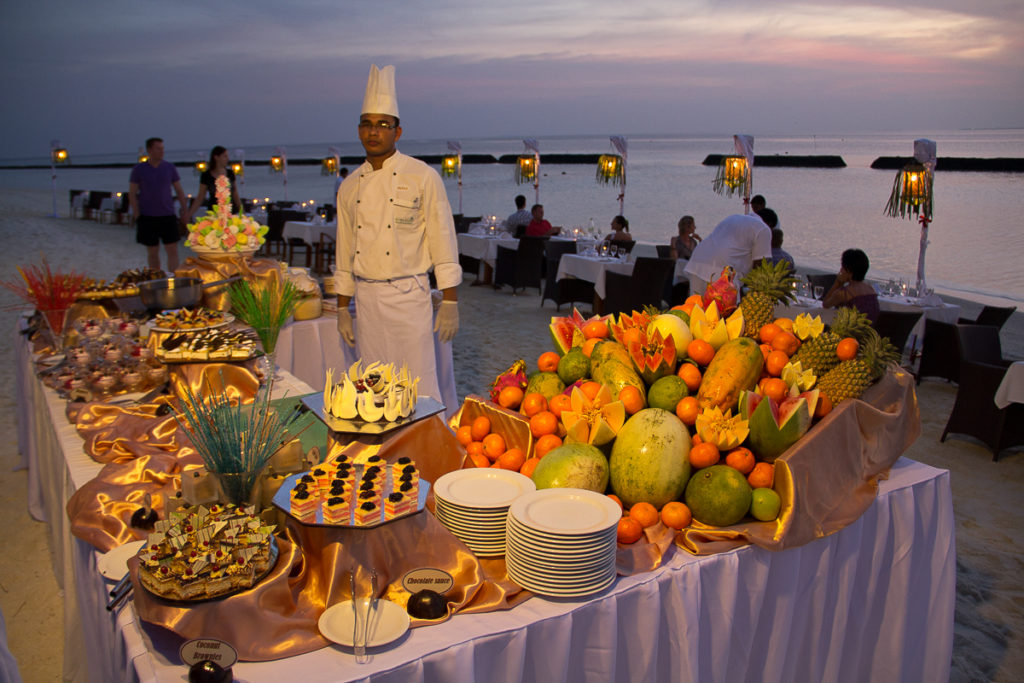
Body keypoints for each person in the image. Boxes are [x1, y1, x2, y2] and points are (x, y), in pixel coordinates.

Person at [333, 64, 461, 403]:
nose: (374, 132)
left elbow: (443, 239)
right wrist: (342, 308)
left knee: (417, 385)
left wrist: (450, 300)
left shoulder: (422, 176)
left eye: (383, 125)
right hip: (367, 301)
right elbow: (344, 253)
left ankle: (426, 451)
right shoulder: (348, 187)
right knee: (375, 389)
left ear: (397, 132)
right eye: (367, 124)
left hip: (409, 297)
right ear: (359, 129)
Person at [129, 137, 188, 272]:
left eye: (162, 149)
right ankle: (156, 278)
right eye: (158, 149)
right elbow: (132, 193)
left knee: (172, 249)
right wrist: (137, 214)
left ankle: (174, 278)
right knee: (152, 251)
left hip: (167, 215)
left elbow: (179, 190)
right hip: (147, 216)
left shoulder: (169, 168)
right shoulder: (139, 169)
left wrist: (185, 210)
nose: (161, 151)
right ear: (150, 150)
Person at [683, 213, 772, 295]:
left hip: (697, 260)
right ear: (770, 224)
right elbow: (759, 267)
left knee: (695, 306)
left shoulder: (734, 218)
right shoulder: (764, 229)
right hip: (721, 270)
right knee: (725, 310)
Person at [186, 146, 241, 221]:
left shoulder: (230, 173)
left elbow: (235, 194)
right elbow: (200, 197)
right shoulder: (206, 175)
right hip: (214, 213)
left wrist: (242, 211)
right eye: (225, 156)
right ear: (216, 157)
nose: (227, 159)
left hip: (231, 211)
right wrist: (189, 214)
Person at [823, 248, 880, 322]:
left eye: (843, 267)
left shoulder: (845, 293)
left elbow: (826, 304)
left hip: (852, 331)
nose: (840, 270)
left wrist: (838, 283)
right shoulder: (870, 289)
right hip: (869, 330)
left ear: (849, 270)